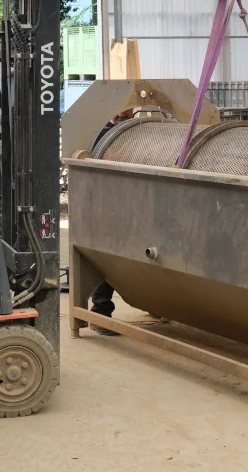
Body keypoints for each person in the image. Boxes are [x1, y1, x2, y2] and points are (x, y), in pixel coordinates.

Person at [87, 107, 136, 336]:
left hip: (126, 203)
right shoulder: (100, 134)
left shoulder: (136, 132)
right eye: (120, 111)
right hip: (103, 204)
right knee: (105, 259)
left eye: (128, 111)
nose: (123, 115)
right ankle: (100, 314)